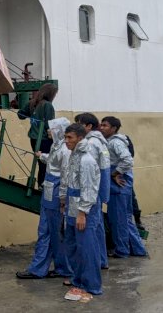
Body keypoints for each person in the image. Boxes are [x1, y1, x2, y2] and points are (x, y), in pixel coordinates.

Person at [16, 117, 72, 280]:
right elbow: (54, 162)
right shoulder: (57, 145)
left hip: (55, 192)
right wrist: (42, 156)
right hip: (49, 190)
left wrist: (62, 197)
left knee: (54, 231)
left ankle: (52, 268)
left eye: (51, 128)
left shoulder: (65, 150)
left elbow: (65, 175)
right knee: (48, 230)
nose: (48, 131)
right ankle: (53, 268)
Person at [59, 123, 101, 302]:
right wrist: (64, 200)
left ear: (80, 138)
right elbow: (69, 179)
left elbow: (89, 188)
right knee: (72, 245)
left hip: (84, 208)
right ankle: (78, 280)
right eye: (65, 137)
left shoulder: (87, 160)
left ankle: (91, 285)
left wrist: (82, 212)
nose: (66, 141)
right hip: (72, 205)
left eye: (70, 138)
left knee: (86, 248)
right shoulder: (73, 155)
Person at [99, 116, 147, 258]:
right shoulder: (111, 141)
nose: (101, 127)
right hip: (121, 186)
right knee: (125, 220)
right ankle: (138, 249)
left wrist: (114, 173)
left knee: (118, 220)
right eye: (101, 125)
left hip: (119, 187)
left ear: (113, 129)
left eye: (105, 125)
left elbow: (127, 160)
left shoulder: (115, 143)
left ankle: (122, 250)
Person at [75, 112, 110, 269]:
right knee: (98, 227)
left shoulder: (90, 144)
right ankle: (101, 260)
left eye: (79, 124)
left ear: (88, 126)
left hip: (91, 190)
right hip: (99, 190)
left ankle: (95, 262)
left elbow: (90, 171)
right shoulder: (100, 142)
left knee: (91, 229)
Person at [17, 83, 57, 188]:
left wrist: (33, 115)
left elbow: (20, 115)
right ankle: (43, 186)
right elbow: (50, 124)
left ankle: (40, 185)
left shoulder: (32, 102)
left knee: (41, 163)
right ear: (51, 94)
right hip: (44, 138)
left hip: (33, 138)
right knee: (46, 163)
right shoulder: (48, 105)